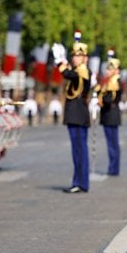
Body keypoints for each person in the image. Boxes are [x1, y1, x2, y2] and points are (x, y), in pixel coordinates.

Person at [52, 31, 91, 193]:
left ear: (84, 58)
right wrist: (64, 61)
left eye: (78, 56)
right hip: (76, 114)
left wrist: (59, 61)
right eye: (73, 55)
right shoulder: (79, 70)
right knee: (78, 150)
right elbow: (70, 73)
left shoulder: (82, 71)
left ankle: (80, 182)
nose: (74, 58)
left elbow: (68, 74)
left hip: (77, 115)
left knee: (79, 150)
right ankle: (80, 182)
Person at [97, 53, 122, 176]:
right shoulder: (110, 81)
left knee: (113, 143)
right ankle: (113, 167)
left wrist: (99, 98)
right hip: (109, 114)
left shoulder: (114, 81)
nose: (107, 71)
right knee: (111, 143)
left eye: (110, 68)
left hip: (111, 114)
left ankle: (114, 167)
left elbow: (108, 99)